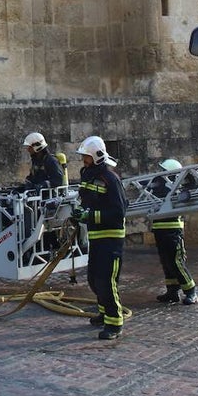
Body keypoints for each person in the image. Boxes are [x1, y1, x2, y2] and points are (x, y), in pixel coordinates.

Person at [73, 135, 127, 340]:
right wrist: (79, 213)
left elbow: (118, 213)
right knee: (94, 280)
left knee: (106, 280)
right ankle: (104, 313)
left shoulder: (110, 179)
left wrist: (89, 216)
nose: (83, 161)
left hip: (111, 239)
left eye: (86, 157)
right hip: (96, 237)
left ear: (96, 156)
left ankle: (114, 323)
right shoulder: (89, 177)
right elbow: (86, 201)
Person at [149, 158, 198, 305]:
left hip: (173, 230)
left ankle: (191, 292)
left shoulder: (177, 188)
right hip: (159, 229)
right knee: (166, 262)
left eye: (164, 171)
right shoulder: (158, 187)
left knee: (177, 262)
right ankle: (172, 292)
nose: (161, 174)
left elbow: (192, 184)